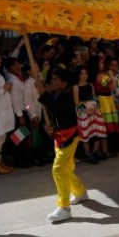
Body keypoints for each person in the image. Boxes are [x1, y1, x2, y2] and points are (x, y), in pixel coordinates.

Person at [34, 68, 88, 223]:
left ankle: (64, 207)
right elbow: (51, 114)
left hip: (69, 137)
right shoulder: (56, 95)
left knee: (58, 170)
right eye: (52, 78)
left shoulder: (66, 96)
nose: (52, 81)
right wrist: (47, 127)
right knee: (66, 169)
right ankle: (80, 191)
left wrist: (41, 90)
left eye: (56, 79)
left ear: (64, 83)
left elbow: (54, 107)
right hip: (60, 137)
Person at [73, 65, 107, 163]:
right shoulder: (76, 87)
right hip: (83, 112)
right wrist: (86, 111)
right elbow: (76, 102)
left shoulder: (90, 85)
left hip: (94, 110)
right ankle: (88, 154)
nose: (84, 76)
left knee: (98, 130)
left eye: (85, 73)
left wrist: (95, 107)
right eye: (82, 74)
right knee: (85, 133)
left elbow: (94, 97)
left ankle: (94, 152)